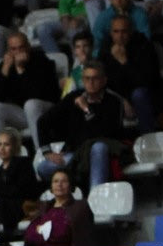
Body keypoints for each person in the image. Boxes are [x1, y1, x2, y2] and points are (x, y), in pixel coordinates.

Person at [36, 60, 125, 192]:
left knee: (98, 147)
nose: (91, 82)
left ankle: (95, 196)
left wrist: (86, 109)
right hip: (76, 155)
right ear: (83, 80)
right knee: (43, 168)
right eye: (87, 78)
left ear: (103, 81)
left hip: (103, 153)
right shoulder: (73, 97)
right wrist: (47, 151)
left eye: (95, 78)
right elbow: (43, 121)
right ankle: (72, 194)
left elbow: (105, 133)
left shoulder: (113, 101)